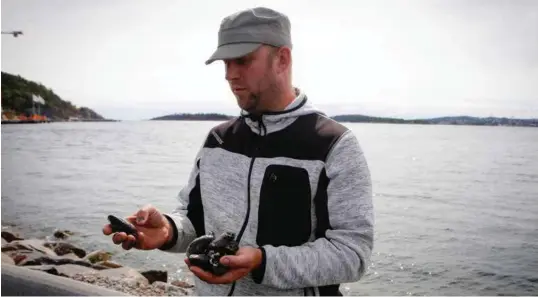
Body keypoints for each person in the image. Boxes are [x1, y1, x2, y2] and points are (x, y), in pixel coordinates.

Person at [103, 6, 374, 296]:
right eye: (226, 64)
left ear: (282, 59)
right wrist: (168, 231)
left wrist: (262, 262)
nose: (230, 75)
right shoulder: (217, 140)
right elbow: (195, 221)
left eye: (242, 61)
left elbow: (352, 255)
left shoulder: (333, 145)